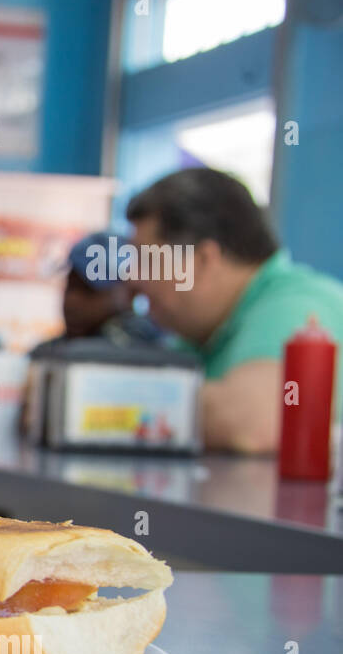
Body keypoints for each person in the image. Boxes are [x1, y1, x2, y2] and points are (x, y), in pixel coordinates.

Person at [125, 167, 343, 454]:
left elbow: (254, 422)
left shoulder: (298, 306)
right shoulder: (202, 334)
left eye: (147, 260)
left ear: (202, 260)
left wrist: (95, 395)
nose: (132, 277)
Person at [36, 231, 164, 350]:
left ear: (130, 292)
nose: (72, 301)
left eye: (88, 290)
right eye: (71, 286)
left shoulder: (149, 350)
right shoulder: (48, 353)